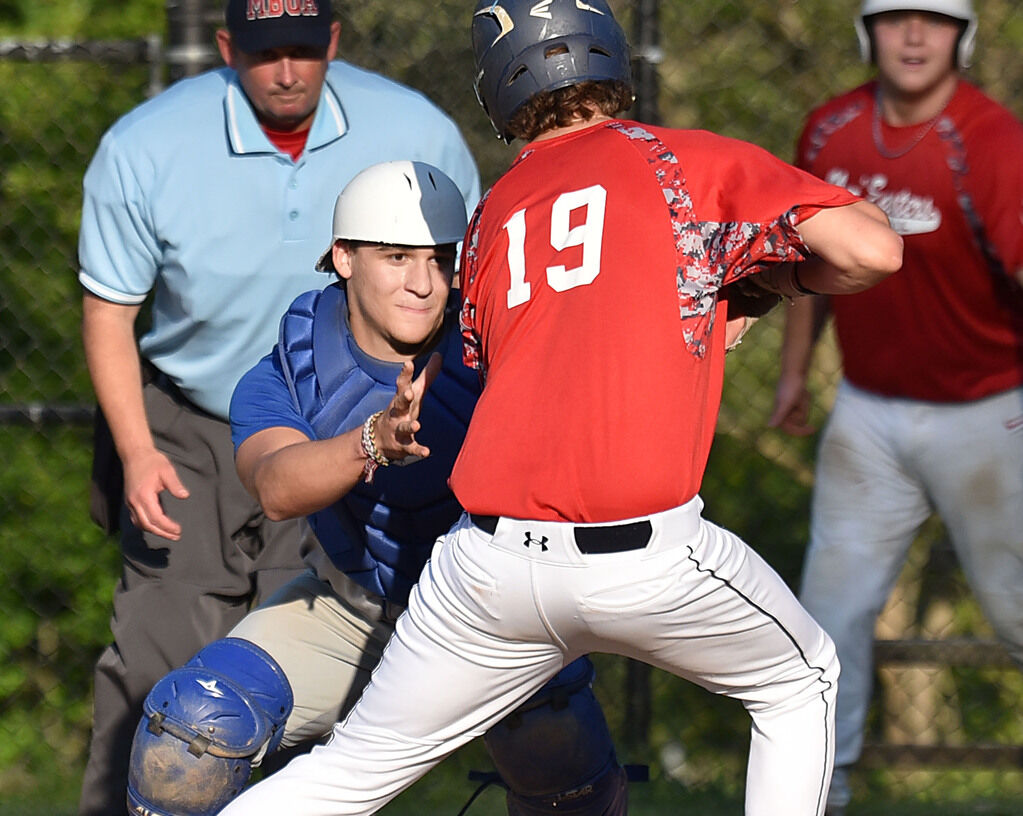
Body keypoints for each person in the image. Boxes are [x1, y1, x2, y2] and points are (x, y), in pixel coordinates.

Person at [218, 1, 904, 814]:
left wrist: (718, 288)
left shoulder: (493, 218)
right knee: (802, 679)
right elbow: (871, 250)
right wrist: (769, 279)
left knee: (352, 772)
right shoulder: (679, 163)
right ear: (611, 61)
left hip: (484, 570)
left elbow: (540, 339)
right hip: (643, 560)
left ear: (497, 91)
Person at [125, 160, 633, 816]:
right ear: (342, 257)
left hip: (495, 617)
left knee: (564, 763)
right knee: (191, 731)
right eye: (395, 257)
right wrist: (370, 442)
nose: (423, 284)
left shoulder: (504, 338)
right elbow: (276, 486)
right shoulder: (293, 366)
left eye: (440, 260)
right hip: (353, 614)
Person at [77, 1, 480, 812]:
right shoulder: (146, 142)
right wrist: (137, 450)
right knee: (163, 679)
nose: (287, 71)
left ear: (334, 40)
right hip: (188, 423)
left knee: (303, 703)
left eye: (304, 48)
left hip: (358, 425)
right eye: (266, 54)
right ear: (228, 48)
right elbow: (109, 310)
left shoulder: (415, 132)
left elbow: (478, 284)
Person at [768, 2, 1023, 813]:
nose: (913, 37)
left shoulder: (992, 142)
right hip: (868, 413)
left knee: (1015, 607)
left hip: (987, 412)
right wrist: (792, 375)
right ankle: (820, 794)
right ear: (866, 31)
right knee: (827, 618)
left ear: (964, 36)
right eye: (895, 18)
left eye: (934, 20)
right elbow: (802, 257)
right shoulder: (829, 130)